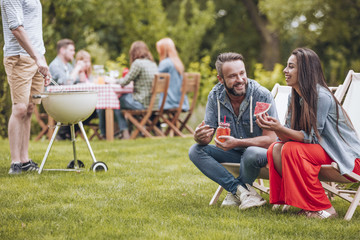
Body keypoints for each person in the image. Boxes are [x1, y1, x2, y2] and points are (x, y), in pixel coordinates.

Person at [256, 48, 360, 219]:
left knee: (291, 150)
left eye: (291, 67)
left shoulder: (321, 97)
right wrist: (275, 128)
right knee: (275, 148)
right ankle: (306, 204)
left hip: (347, 159)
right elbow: (286, 136)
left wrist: (280, 128)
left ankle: (325, 208)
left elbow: (311, 138)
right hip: (322, 153)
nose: (285, 70)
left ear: (304, 71)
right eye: (286, 66)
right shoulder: (294, 98)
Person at [188, 52, 278, 209]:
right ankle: (240, 191)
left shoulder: (261, 95)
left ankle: (238, 192)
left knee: (250, 152)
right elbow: (206, 138)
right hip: (235, 154)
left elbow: (271, 140)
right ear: (221, 79)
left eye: (242, 73)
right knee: (195, 150)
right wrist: (199, 137)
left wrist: (238, 142)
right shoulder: (215, 96)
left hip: (260, 155)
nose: (240, 80)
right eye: (232, 76)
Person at [1, 0, 51, 174]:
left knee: (30, 108)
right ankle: (15, 162)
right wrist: (36, 56)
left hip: (37, 56)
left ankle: (25, 159)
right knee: (20, 108)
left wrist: (41, 58)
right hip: (19, 57)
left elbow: (34, 27)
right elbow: (16, 28)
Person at [116, 41, 158, 139]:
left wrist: (112, 81)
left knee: (117, 101)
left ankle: (125, 132)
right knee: (126, 100)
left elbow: (124, 82)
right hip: (153, 103)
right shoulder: (152, 63)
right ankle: (135, 131)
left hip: (142, 103)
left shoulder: (138, 63)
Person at [156, 37, 189, 110]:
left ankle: (154, 121)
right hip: (181, 102)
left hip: (168, 102)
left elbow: (155, 82)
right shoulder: (178, 63)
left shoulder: (165, 63)